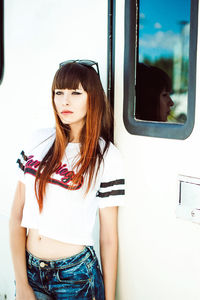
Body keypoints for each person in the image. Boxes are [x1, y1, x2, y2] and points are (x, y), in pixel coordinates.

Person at [9, 60, 125, 300]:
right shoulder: (37, 141)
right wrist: (21, 283)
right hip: (30, 271)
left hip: (76, 278)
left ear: (92, 98)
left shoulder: (106, 155)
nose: (65, 101)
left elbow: (109, 238)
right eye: (58, 92)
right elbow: (16, 216)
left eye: (75, 93)